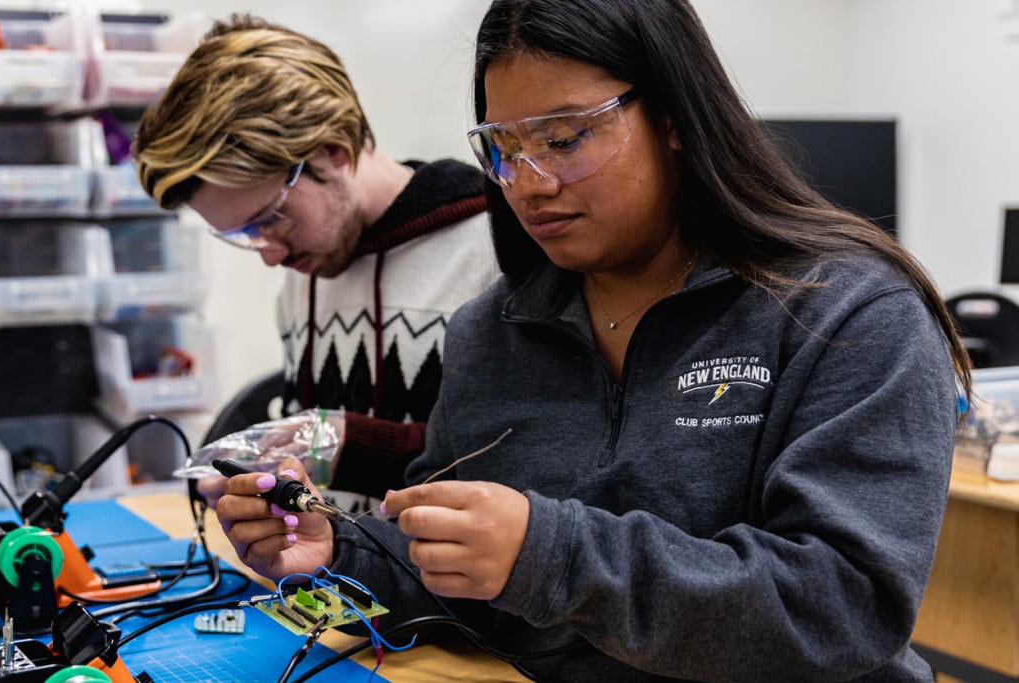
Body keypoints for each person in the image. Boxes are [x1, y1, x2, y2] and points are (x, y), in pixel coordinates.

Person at [214, 1, 971, 680]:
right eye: (503, 148)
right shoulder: (490, 332)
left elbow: (844, 609)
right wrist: (338, 554)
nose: (529, 182)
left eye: (566, 138)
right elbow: (449, 573)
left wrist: (553, 554)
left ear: (674, 117)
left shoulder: (846, 313)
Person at [132, 15, 498, 509]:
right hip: (327, 584)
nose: (269, 254)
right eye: (241, 234)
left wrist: (338, 445)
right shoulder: (304, 278)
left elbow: (514, 464)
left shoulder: (493, 250)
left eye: (270, 218)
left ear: (334, 150)